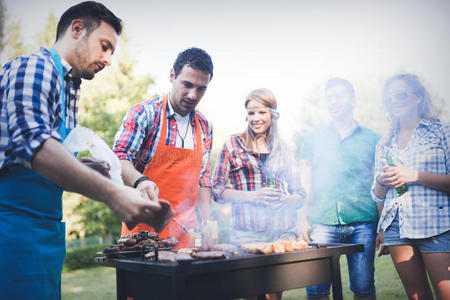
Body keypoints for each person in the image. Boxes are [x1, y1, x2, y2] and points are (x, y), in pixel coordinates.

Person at [0, 2, 172, 299]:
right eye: (104, 47)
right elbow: (35, 147)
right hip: (11, 231)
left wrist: (86, 170)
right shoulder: (34, 68)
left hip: (44, 234)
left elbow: (41, 165)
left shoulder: (68, 89)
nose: (108, 60)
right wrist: (115, 195)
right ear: (77, 29)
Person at [114, 47, 214, 248]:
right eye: (187, 85)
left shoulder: (204, 126)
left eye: (201, 88)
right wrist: (140, 180)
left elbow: (203, 178)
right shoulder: (144, 114)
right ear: (172, 76)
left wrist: (208, 222)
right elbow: (119, 157)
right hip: (143, 236)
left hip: (187, 234)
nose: (193, 95)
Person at [212, 88, 305, 300]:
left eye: (261, 112)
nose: (256, 118)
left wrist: (287, 200)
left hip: (281, 233)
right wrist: (251, 196)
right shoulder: (233, 144)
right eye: (251, 113)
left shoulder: (284, 149)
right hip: (246, 233)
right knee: (251, 293)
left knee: (274, 294)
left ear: (273, 114)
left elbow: (299, 194)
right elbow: (216, 190)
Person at [298, 77, 380, 300]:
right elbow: (305, 180)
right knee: (316, 288)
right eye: (329, 98)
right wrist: (301, 217)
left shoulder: (373, 139)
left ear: (353, 99)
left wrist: (382, 224)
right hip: (322, 221)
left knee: (363, 286)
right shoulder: (313, 138)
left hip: (363, 221)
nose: (333, 102)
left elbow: (379, 183)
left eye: (339, 96)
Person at [372, 74, 450, 300]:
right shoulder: (384, 143)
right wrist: (380, 182)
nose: (395, 100)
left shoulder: (442, 132)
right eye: (390, 98)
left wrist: (412, 175)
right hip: (396, 227)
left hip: (436, 224)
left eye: (401, 94)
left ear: (417, 97)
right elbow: (378, 196)